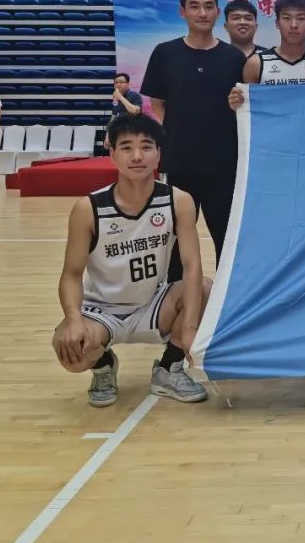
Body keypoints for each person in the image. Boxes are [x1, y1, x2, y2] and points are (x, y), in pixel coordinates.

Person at [52, 114, 209, 407]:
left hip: (152, 305)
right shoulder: (88, 208)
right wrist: (73, 320)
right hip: (102, 311)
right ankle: (103, 366)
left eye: (146, 147)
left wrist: (189, 328)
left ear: (159, 153)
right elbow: (71, 274)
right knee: (68, 348)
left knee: (204, 287)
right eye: (126, 147)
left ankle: (169, 369)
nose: (137, 156)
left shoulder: (178, 201)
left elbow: (192, 265)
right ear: (112, 154)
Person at [140, 0, 246, 279]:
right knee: (176, 240)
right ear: (182, 11)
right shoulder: (165, 53)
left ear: (217, 13)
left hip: (225, 165)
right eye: (195, 6)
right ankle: (177, 298)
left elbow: (244, 104)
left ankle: (225, 299)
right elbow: (157, 102)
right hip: (180, 163)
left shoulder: (233, 57)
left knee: (227, 239)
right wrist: (179, 132)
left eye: (209, 7)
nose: (202, 13)